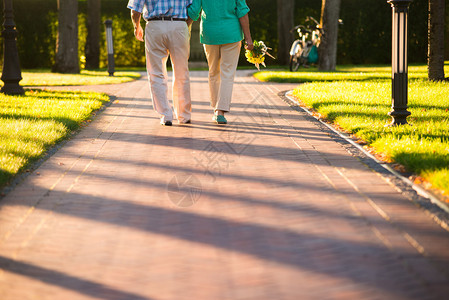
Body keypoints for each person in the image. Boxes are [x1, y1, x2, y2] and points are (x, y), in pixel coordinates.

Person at [127, 0, 193, 126]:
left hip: (155, 25)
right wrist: (185, 25)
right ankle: (183, 115)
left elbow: (135, 10)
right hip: (178, 24)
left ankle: (166, 114)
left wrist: (137, 26)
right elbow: (192, 7)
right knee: (181, 71)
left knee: (156, 72)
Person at [187, 0, 253, 124]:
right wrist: (248, 38)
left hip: (209, 33)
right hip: (231, 34)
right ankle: (220, 111)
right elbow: (242, 11)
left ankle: (216, 109)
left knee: (213, 72)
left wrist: (184, 28)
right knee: (227, 73)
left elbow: (194, 11)